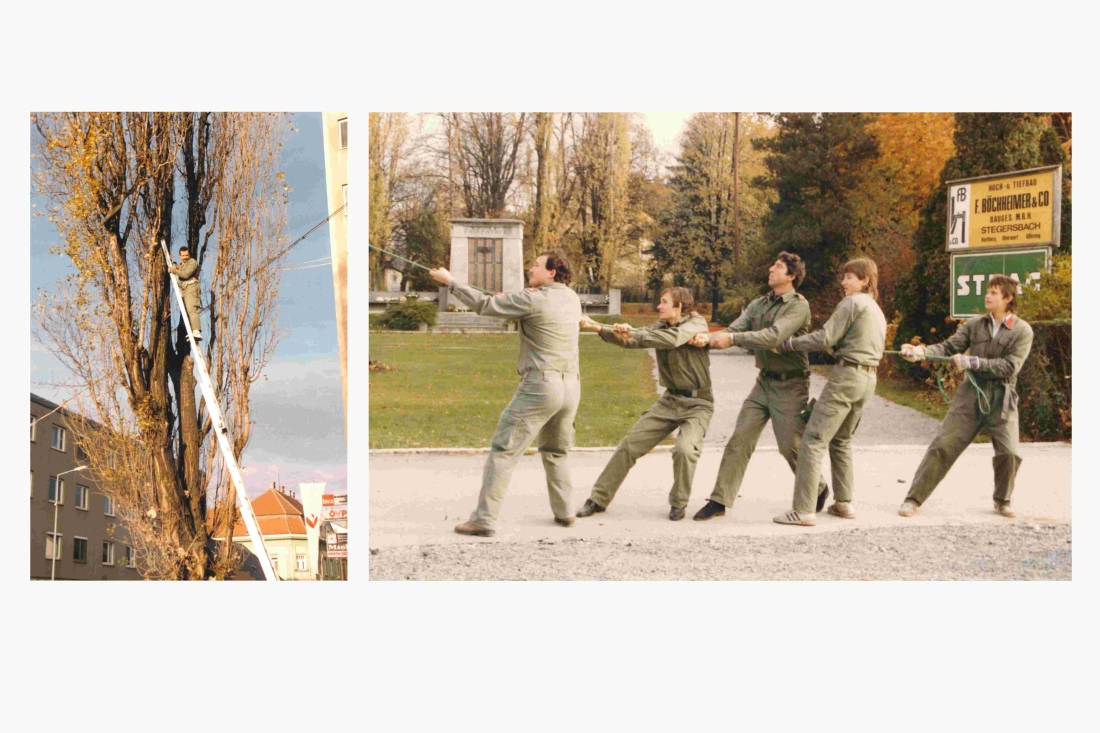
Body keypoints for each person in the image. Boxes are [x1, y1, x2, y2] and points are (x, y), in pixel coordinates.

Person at [429, 249, 581, 538]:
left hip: (540, 386)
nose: (530, 269)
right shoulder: (571, 298)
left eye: (536, 266)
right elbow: (514, 305)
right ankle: (565, 512)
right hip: (571, 387)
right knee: (556, 451)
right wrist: (507, 300)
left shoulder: (531, 298)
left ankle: (483, 520)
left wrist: (451, 282)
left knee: (503, 450)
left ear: (552, 272)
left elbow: (486, 306)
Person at [687, 252, 830, 520]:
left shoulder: (799, 306)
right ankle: (719, 500)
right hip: (763, 382)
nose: (770, 269)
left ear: (791, 276)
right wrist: (706, 336)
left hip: (791, 384)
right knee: (739, 439)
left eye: (777, 266)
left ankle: (818, 487)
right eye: (772, 264)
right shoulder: (759, 303)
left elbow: (772, 336)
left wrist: (732, 338)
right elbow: (734, 328)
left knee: (790, 446)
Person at [897, 274, 1033, 519]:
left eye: (993, 292)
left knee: (1009, 453)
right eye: (988, 291)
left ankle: (1002, 500)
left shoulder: (1022, 331)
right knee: (942, 446)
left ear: (1008, 298)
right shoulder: (974, 325)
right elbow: (948, 347)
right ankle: (913, 499)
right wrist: (920, 352)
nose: (987, 296)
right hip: (970, 395)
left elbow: (1010, 367)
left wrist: (972, 361)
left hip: (1002, 397)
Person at [576, 287, 712, 521]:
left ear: (679, 306)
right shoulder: (660, 327)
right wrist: (601, 327)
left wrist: (633, 333)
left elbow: (672, 340)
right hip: (669, 400)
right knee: (629, 446)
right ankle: (598, 499)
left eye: (664, 302)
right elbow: (633, 341)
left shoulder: (696, 324)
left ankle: (678, 503)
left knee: (685, 450)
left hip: (698, 403)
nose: (658, 307)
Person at [772, 257, 886, 526]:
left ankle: (803, 510)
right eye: (843, 276)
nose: (843, 282)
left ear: (865, 281)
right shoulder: (875, 309)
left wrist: (789, 344)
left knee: (812, 440)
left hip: (847, 377)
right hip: (868, 380)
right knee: (842, 441)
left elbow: (824, 337)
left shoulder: (852, 303)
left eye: (849, 277)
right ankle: (844, 503)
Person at [169, 246, 203, 342]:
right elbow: (180, 276)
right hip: (185, 289)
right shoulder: (182, 265)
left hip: (191, 287)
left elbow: (186, 274)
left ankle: (196, 331)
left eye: (186, 255)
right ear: (180, 256)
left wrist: (174, 270)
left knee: (191, 308)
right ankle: (193, 330)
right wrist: (175, 268)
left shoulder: (192, 262)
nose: (185, 257)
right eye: (183, 255)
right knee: (188, 310)